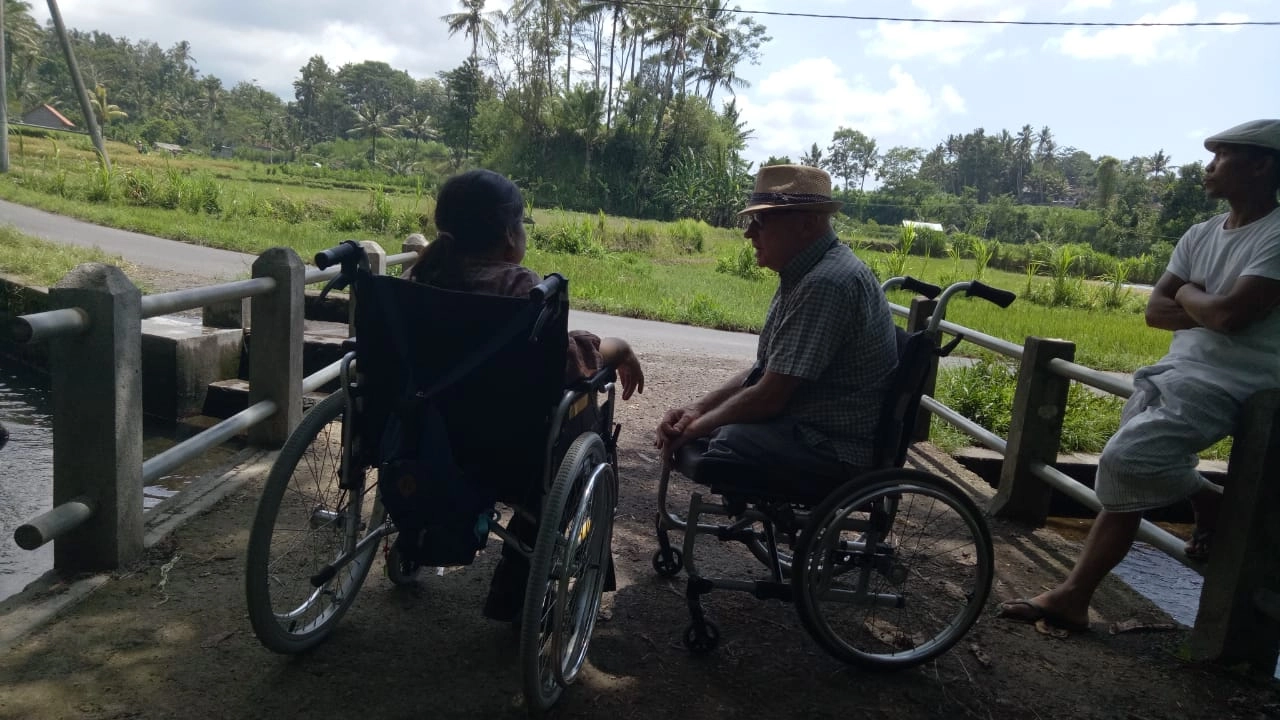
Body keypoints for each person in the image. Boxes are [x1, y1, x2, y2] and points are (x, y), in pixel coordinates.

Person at [998, 119, 1280, 633]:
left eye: (1222, 156)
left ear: (1262, 165)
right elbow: (1154, 311)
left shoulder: (1277, 234)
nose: (1209, 166)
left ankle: (1205, 500)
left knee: (1126, 459)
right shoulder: (1200, 233)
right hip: (1173, 371)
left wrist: (1188, 294)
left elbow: (1229, 317)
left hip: (1231, 382)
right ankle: (1075, 596)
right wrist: (1204, 301)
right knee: (1127, 479)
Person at [408, 168, 644, 621]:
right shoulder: (520, 288)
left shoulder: (422, 280)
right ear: (508, 235)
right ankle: (517, 584)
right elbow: (564, 365)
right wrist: (618, 348)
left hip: (423, 437)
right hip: (509, 452)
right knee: (579, 420)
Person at [655, 164, 898, 480]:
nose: (749, 233)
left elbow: (770, 396)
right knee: (717, 429)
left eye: (762, 221)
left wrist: (693, 429)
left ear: (806, 224)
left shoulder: (826, 283)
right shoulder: (803, 273)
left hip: (833, 446)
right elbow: (766, 371)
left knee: (726, 439)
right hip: (805, 427)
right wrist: (695, 410)